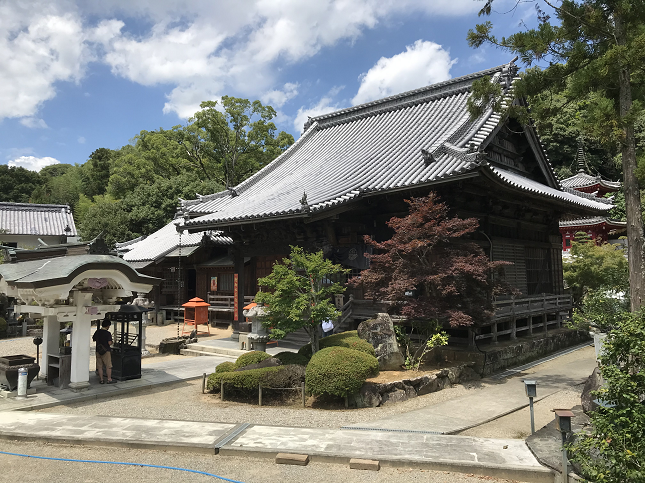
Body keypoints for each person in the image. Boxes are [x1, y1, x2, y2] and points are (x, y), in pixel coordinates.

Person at [92, 319, 115, 384]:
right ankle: (109, 379)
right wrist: (112, 341)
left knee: (99, 366)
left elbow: (94, 339)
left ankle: (101, 379)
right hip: (106, 351)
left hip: (98, 350)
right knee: (108, 365)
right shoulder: (108, 333)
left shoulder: (98, 331)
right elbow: (109, 343)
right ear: (108, 326)